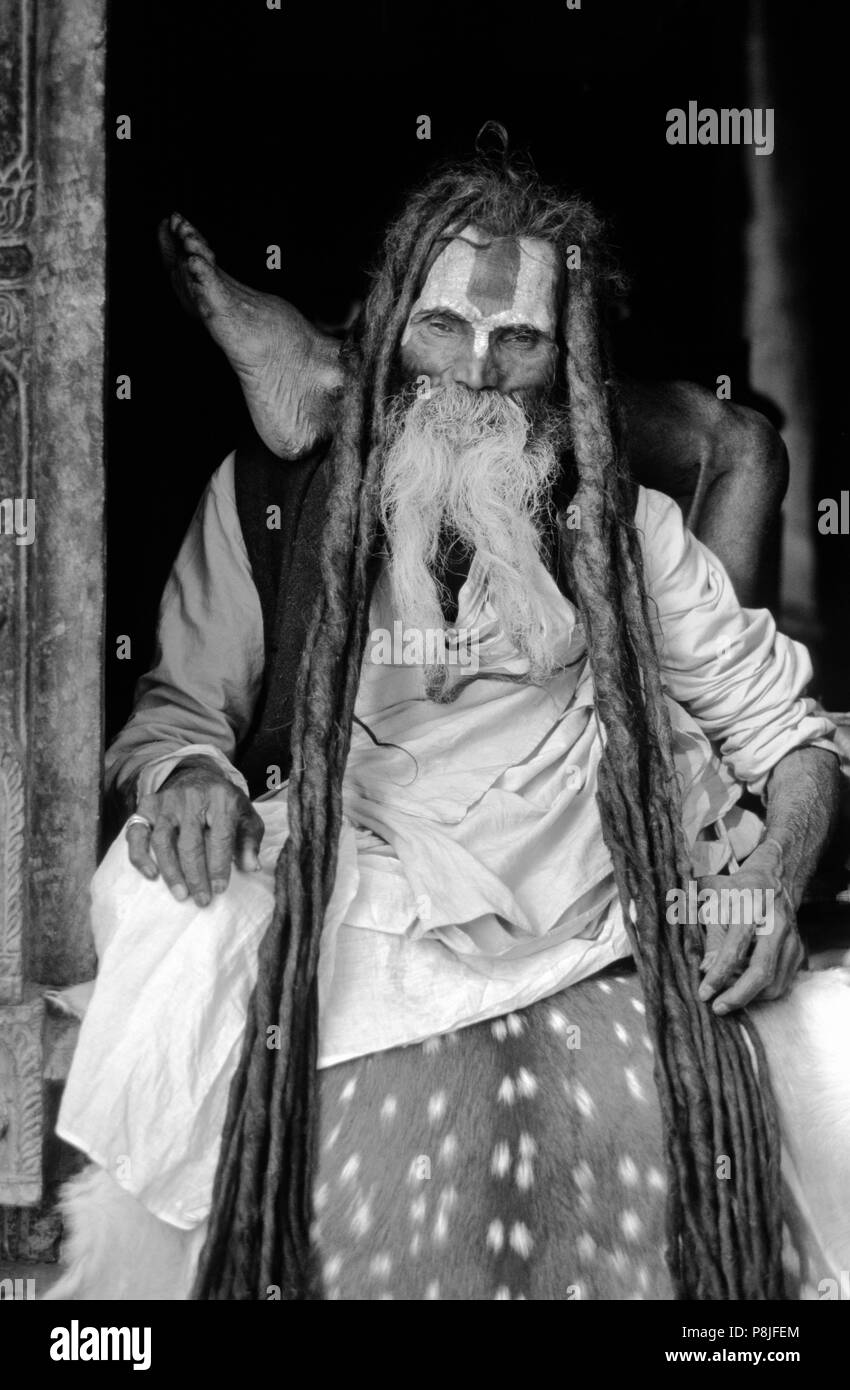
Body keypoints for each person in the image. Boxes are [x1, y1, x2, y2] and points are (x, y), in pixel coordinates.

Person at [50, 155, 845, 1302]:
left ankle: (311, 360)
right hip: (357, 867)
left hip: (590, 874)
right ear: (387, 326)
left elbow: (793, 737)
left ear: (565, 361)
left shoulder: (631, 522)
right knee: (167, 909)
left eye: (518, 341)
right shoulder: (265, 503)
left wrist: (770, 875)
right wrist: (187, 773)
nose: (475, 370)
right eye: (439, 327)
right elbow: (178, 715)